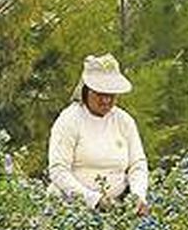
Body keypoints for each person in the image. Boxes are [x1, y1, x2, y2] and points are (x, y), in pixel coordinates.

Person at [48, 54, 150, 214]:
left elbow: (137, 164)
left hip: (116, 210)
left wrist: (137, 195)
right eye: (100, 94)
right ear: (87, 90)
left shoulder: (124, 121)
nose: (106, 101)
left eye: (111, 95)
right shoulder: (70, 120)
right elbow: (58, 170)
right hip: (70, 211)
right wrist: (93, 199)